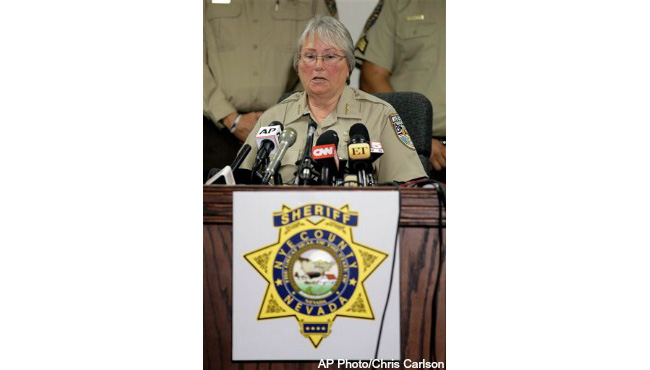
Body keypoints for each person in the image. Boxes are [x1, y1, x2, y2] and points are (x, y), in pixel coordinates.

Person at [239, 15, 427, 184]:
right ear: (298, 65)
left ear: (349, 66)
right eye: (310, 56)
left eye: (329, 56)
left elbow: (410, 188)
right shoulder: (274, 118)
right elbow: (237, 183)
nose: (318, 66)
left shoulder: (380, 115)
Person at [203, 0, 337, 171]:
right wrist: (231, 118)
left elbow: (327, 56)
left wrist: (287, 111)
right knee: (215, 197)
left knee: (287, 198)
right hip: (216, 131)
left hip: (291, 129)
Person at [354, 0, 446, 182]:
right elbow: (372, 77)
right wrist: (415, 138)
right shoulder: (398, 3)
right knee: (413, 210)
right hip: (417, 151)